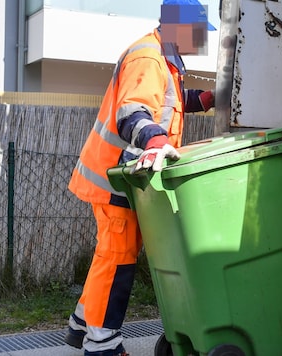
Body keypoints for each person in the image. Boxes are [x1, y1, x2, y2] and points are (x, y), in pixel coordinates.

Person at [65, 1, 215, 355]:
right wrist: (156, 140)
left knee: (109, 254)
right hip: (115, 177)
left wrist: (205, 99)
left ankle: (81, 326)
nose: (200, 40)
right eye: (197, 32)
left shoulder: (164, 60)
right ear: (178, 27)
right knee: (117, 259)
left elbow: (169, 101)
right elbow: (133, 111)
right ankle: (102, 345)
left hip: (120, 176)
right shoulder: (148, 57)